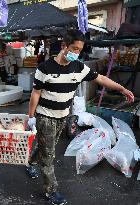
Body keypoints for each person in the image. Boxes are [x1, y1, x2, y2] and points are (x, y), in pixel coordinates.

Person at [26, 29, 134, 205]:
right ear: (63, 46)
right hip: (45, 116)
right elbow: (35, 94)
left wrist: (121, 88)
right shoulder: (44, 68)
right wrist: (31, 116)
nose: (76, 53)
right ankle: (51, 191)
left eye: (79, 50)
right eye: (74, 49)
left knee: (46, 146)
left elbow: (100, 79)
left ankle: (30, 162)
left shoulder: (79, 67)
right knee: (50, 154)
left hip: (63, 116)